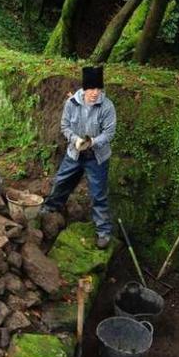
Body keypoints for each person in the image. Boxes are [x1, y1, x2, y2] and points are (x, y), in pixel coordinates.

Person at [39, 66, 116, 248]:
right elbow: (65, 126)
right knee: (62, 181)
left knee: (98, 194)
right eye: (91, 89)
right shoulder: (72, 103)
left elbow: (109, 133)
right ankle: (50, 208)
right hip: (74, 152)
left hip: (97, 157)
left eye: (98, 89)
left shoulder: (107, 107)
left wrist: (92, 142)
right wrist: (75, 140)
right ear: (84, 88)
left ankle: (103, 231)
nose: (95, 93)